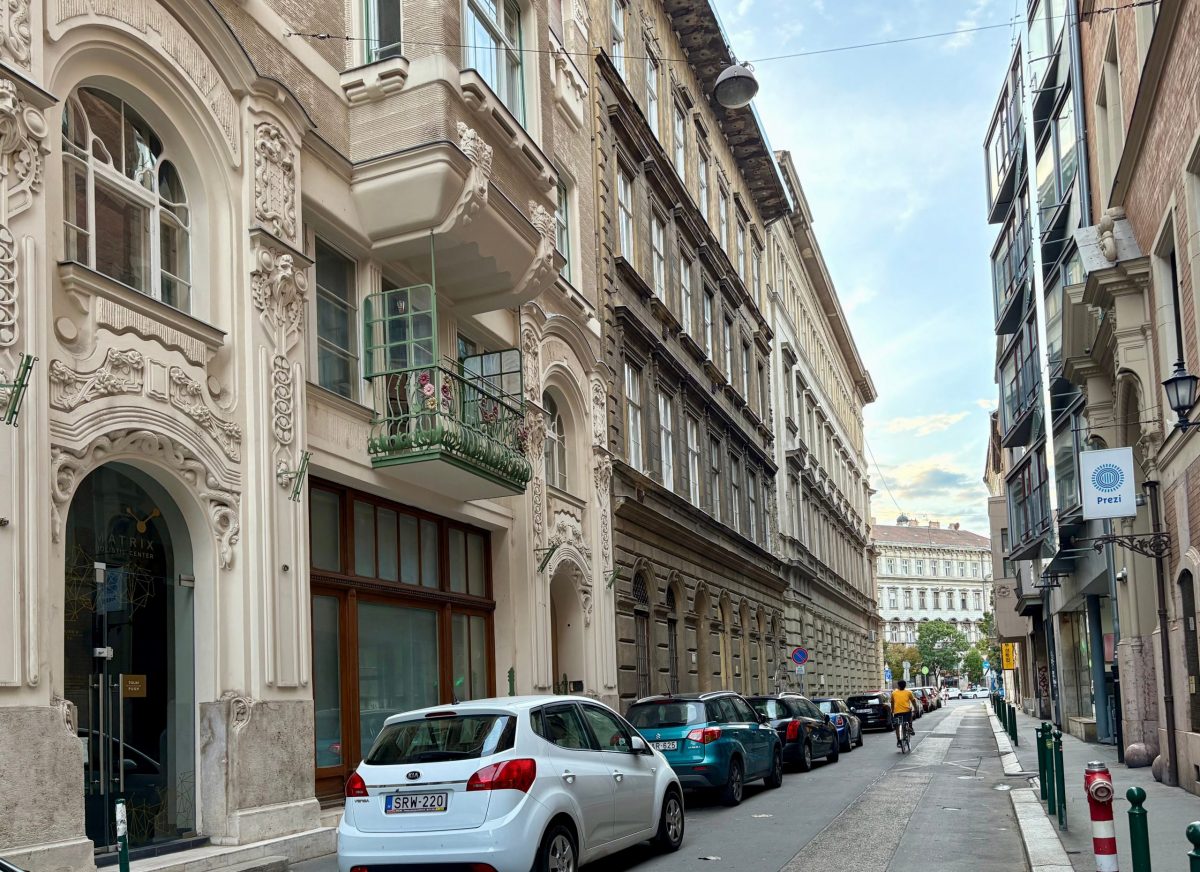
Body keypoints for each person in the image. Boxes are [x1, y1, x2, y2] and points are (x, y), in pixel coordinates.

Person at [891, 680, 918, 748]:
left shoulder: (893, 693)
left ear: (898, 686)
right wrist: (916, 708)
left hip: (897, 712)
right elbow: (913, 701)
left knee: (897, 726)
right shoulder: (909, 692)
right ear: (905, 686)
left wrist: (892, 711)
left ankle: (899, 741)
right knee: (909, 718)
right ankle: (910, 727)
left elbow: (892, 702)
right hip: (906, 711)